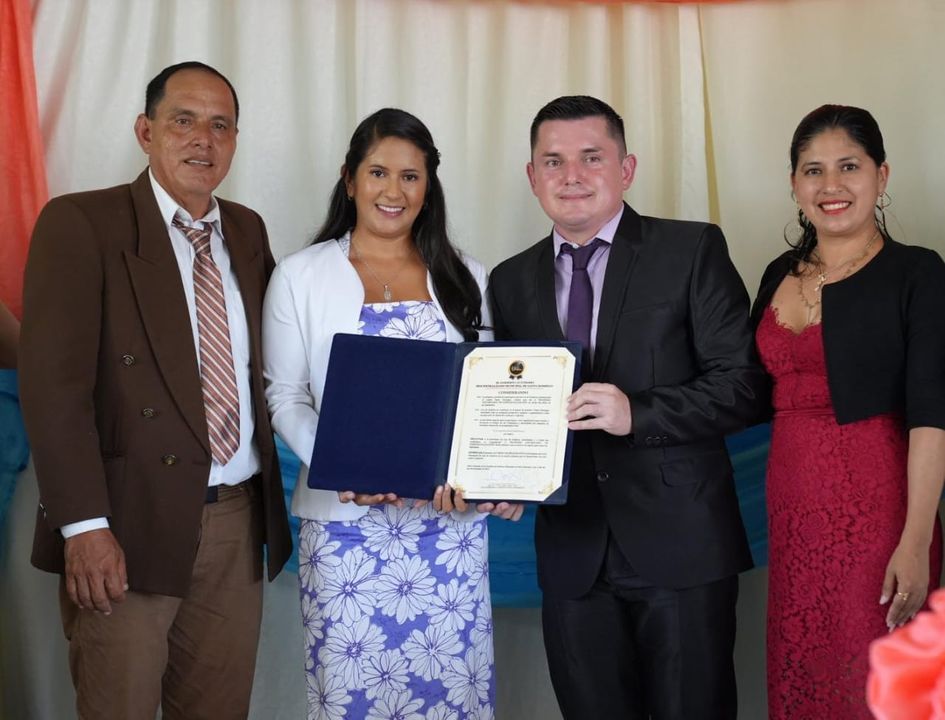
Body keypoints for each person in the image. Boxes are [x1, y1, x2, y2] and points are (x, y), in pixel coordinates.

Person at [18, 61, 292, 719]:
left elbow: (281, 366)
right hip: (125, 520)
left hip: (235, 520)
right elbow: (55, 392)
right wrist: (85, 526)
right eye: (183, 120)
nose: (203, 139)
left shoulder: (247, 230)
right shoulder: (83, 223)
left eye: (221, 125)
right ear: (146, 131)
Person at [489, 95, 766, 719]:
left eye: (592, 157)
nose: (571, 176)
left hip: (682, 544)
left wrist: (637, 413)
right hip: (572, 553)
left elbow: (744, 386)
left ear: (627, 169)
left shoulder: (690, 249)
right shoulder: (508, 280)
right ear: (532, 176)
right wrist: (506, 478)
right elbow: (511, 407)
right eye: (553, 161)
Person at [263, 108, 520, 720]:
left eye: (411, 175)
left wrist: (497, 479)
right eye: (378, 172)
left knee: (451, 695)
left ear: (428, 186)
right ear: (350, 178)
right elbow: (286, 397)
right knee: (352, 697)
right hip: (344, 529)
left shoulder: (467, 276)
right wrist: (346, 466)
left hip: (449, 531)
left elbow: (488, 399)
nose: (394, 190)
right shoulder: (300, 275)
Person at [751, 104, 945, 718]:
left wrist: (916, 540)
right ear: (794, 183)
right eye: (813, 170)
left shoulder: (918, 272)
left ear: (881, 176)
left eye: (849, 167)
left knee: (874, 682)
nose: (830, 185)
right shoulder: (777, 273)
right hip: (792, 510)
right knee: (801, 670)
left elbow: (932, 417)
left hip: (880, 511)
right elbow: (742, 393)